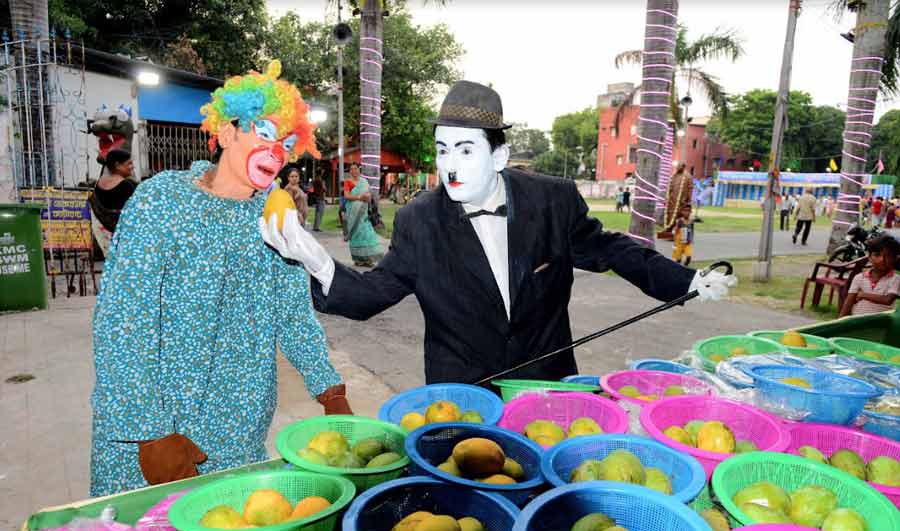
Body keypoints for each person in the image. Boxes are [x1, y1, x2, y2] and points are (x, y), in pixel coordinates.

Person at [260, 80, 736, 387]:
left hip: (546, 386)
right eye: (442, 150)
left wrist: (686, 281)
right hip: (461, 399)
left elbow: (610, 249)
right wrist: (317, 261)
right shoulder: (419, 221)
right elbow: (373, 295)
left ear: (500, 157)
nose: (450, 166)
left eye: (465, 150)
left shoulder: (552, 200)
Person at [89, 61, 351, 498]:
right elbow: (123, 321)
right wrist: (148, 432)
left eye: (286, 144)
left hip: (236, 429)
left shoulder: (274, 217)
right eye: (265, 135)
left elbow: (292, 314)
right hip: (153, 432)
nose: (276, 153)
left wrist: (329, 389)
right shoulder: (161, 201)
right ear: (227, 135)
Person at [90, 148, 137, 256]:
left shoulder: (99, 183)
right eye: (129, 163)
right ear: (117, 165)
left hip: (105, 236)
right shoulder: (127, 185)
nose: (132, 167)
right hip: (125, 237)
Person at [840, 235, 900, 317]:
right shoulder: (859, 278)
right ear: (869, 257)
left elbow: (888, 300)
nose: (882, 259)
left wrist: (862, 295)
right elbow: (848, 303)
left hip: (880, 326)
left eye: (888, 256)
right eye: (877, 255)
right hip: (858, 323)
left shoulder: (895, 279)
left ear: (895, 258)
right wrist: (839, 322)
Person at [344, 163, 384, 267]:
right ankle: (358, 259)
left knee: (367, 233)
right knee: (356, 235)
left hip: (364, 213)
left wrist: (367, 197)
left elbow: (369, 195)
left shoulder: (364, 182)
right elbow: (347, 196)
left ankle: (368, 259)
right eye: (351, 169)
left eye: (355, 169)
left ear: (359, 169)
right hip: (353, 213)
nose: (354, 171)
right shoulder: (348, 182)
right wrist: (360, 197)